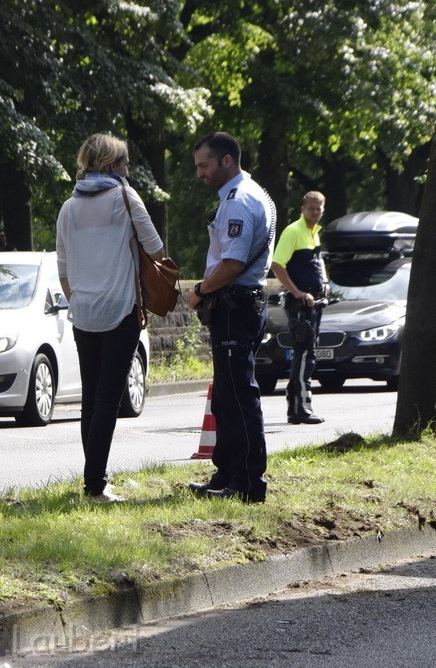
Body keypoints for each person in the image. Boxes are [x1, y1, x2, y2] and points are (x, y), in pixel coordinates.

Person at [56, 133, 165, 502]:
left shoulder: (68, 207)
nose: (128, 169)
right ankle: (94, 486)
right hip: (120, 310)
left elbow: (64, 269)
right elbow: (156, 248)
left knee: (91, 398)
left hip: (82, 313)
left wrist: (82, 300)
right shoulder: (124, 196)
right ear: (112, 165)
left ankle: (93, 479)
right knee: (108, 401)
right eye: (126, 163)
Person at [187, 132, 276, 504]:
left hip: (234, 304)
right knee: (226, 394)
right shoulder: (255, 193)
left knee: (238, 395)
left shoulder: (238, 202)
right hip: (241, 305)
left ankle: (246, 482)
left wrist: (201, 291)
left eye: (204, 165)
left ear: (226, 161)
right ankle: (226, 472)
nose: (199, 174)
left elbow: (233, 263)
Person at [271, 191, 329, 425]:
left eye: (319, 209)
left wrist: (324, 286)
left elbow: (315, 264)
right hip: (300, 304)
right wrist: (297, 292)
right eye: (311, 208)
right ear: (302, 208)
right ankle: (299, 407)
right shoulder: (294, 231)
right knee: (303, 353)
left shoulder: (314, 234)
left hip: (314, 302)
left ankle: (301, 405)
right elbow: (277, 265)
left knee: (308, 354)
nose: (315, 212)